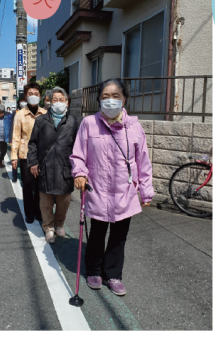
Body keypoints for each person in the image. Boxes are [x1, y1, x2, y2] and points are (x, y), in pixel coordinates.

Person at [70, 79, 154, 297]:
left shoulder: (134, 126)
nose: (110, 100)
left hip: (125, 193)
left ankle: (113, 274)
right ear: (99, 99)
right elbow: (78, 154)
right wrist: (79, 173)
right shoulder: (89, 123)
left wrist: (146, 190)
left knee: (119, 236)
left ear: (124, 99)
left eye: (115, 96)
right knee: (97, 233)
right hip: (97, 190)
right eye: (105, 96)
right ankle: (94, 270)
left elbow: (143, 160)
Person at [26, 86, 81, 244]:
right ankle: (48, 227)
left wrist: (80, 170)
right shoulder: (41, 120)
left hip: (65, 169)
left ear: (67, 103)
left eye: (61, 100)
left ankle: (59, 224)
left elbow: (79, 147)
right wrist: (33, 162)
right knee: (46, 201)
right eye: (54, 100)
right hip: (45, 167)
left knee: (64, 201)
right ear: (49, 102)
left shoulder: (74, 122)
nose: (58, 103)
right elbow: (33, 143)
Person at [12, 82, 47, 223]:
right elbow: (16, 137)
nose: (33, 96)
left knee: (40, 186)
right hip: (25, 155)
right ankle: (29, 213)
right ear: (26, 96)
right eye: (30, 94)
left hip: (41, 156)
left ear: (40, 96)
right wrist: (14, 157)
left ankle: (38, 211)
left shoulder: (45, 113)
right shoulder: (20, 114)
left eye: (36, 94)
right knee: (27, 185)